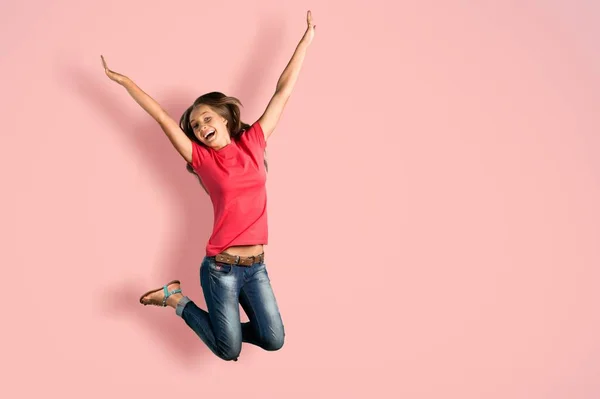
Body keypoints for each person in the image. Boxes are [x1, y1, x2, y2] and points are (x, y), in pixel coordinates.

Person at [100, 11, 315, 361]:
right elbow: (161, 117)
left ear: (226, 117)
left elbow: (283, 90)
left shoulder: (255, 142)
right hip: (221, 268)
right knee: (228, 349)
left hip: (257, 266)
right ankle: (176, 299)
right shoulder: (203, 161)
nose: (200, 127)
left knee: (274, 339)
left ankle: (208, 318)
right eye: (196, 126)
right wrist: (124, 82)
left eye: (206, 118)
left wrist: (306, 40)